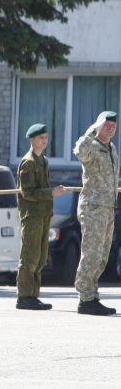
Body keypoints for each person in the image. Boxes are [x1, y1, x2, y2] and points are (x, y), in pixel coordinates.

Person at [16, 123, 67, 311]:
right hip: (32, 215)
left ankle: (33, 295)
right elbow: (28, 192)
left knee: (40, 257)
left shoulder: (43, 160)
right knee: (29, 256)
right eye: (40, 138)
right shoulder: (28, 162)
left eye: (46, 137)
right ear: (31, 140)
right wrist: (51, 193)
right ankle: (24, 296)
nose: (44, 141)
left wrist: (50, 195)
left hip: (44, 214)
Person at [73, 111, 118, 315]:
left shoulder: (112, 149)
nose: (111, 127)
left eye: (114, 125)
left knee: (102, 255)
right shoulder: (90, 145)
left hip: (108, 208)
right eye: (107, 124)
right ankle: (85, 298)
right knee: (91, 253)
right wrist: (90, 132)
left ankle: (93, 295)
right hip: (93, 208)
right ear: (98, 126)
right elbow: (78, 152)